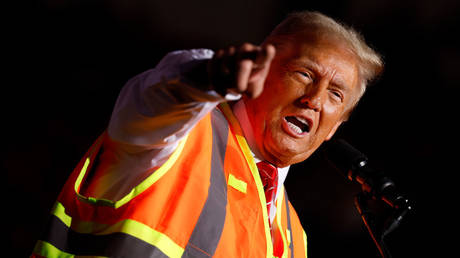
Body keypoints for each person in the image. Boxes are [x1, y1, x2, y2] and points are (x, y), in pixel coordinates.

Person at [32, 11, 383, 258]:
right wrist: (211, 76)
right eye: (304, 73)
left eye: (335, 94)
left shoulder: (295, 238)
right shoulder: (177, 136)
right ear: (261, 70)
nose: (314, 99)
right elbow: (155, 97)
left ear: (334, 128)